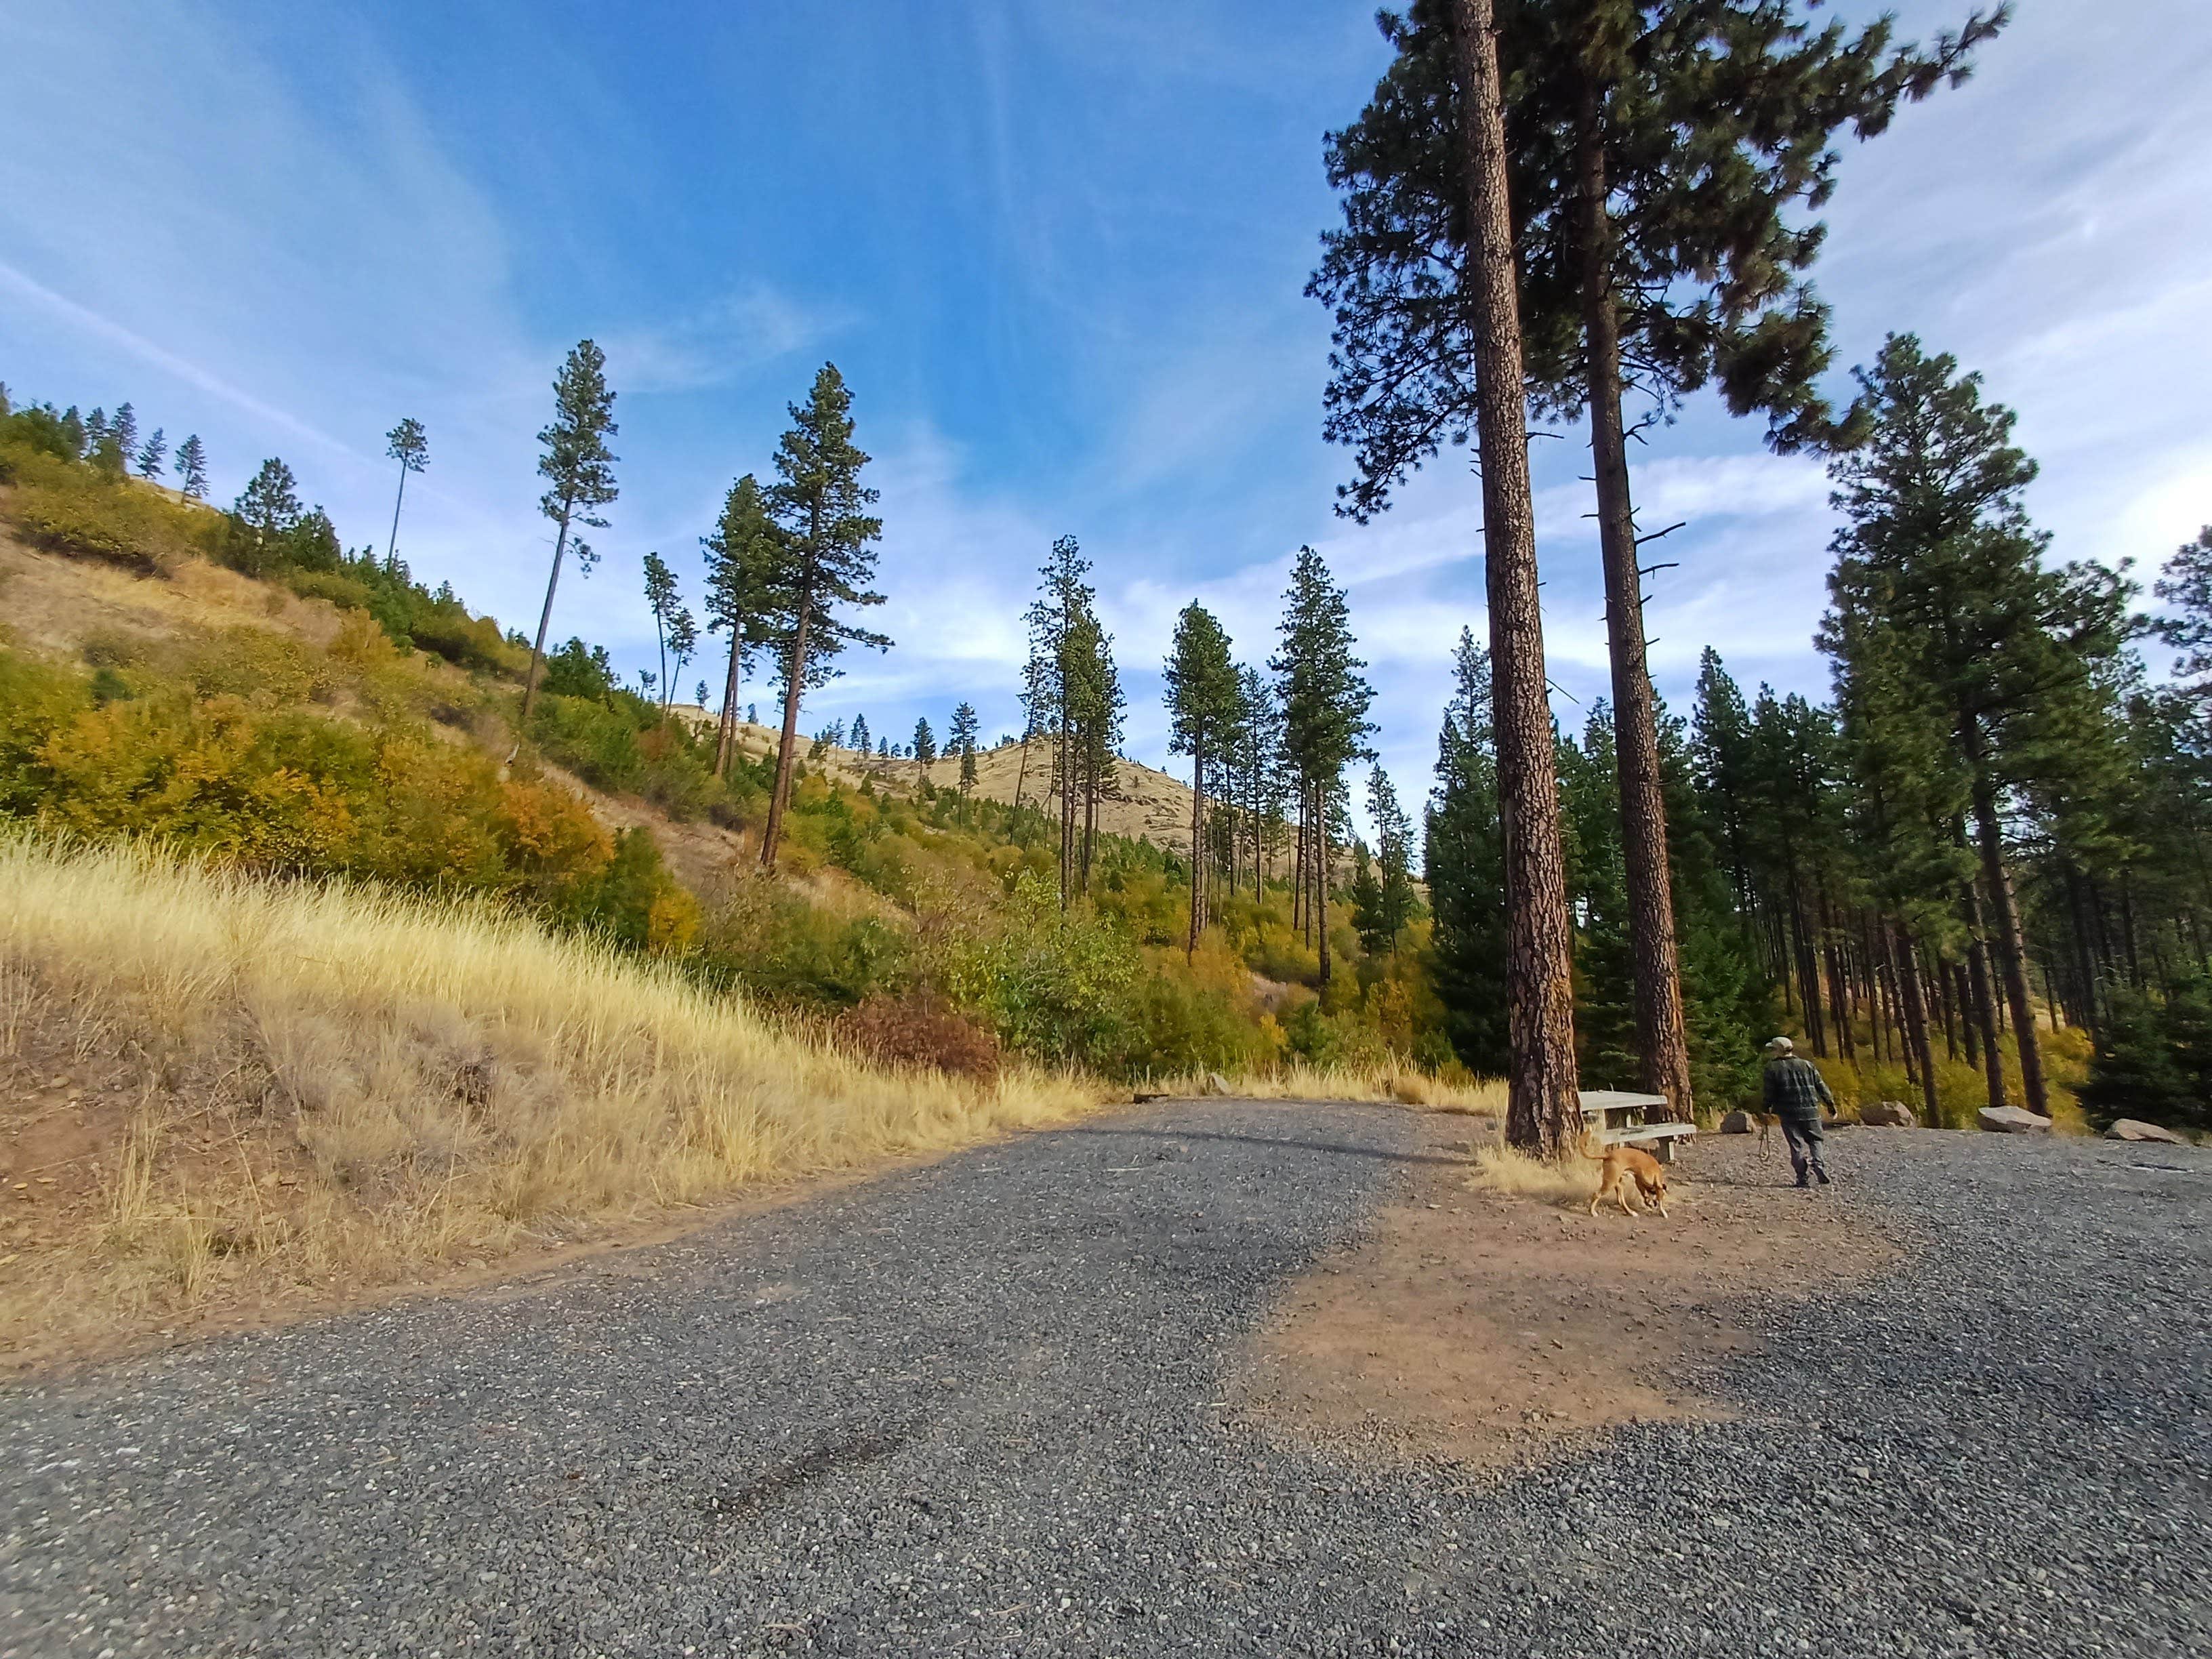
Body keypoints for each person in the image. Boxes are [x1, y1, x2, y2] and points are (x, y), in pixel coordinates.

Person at [1761, 1036, 1834, 1188]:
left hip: (1788, 1113)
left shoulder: (1772, 1068)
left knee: (1796, 1145)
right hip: (1811, 1110)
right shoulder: (1808, 1065)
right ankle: (1818, 1163)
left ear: (1777, 1051)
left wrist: (1765, 1109)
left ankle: (1802, 1178)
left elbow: (1769, 1093)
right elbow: (1822, 1087)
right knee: (1816, 1140)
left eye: (1772, 1049)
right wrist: (1830, 1104)